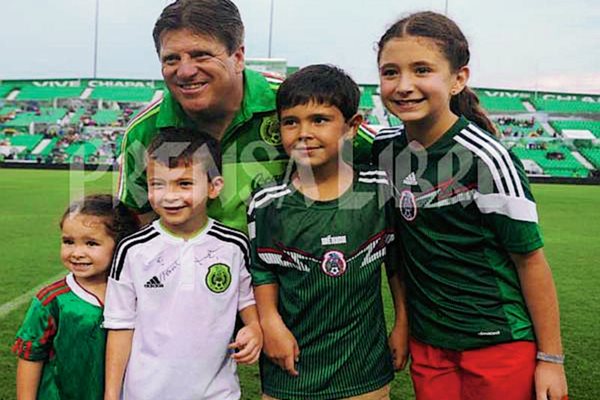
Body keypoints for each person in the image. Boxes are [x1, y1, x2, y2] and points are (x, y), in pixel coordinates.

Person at [373, 11, 568, 400]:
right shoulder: (383, 150)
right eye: (390, 72)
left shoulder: (487, 159)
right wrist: (403, 321)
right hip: (429, 345)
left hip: (498, 343)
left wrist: (551, 359)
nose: (404, 85)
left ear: (458, 78)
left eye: (422, 70)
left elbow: (530, 261)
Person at [116, 0, 375, 232]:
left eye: (201, 55)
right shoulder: (144, 130)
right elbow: (136, 222)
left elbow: (389, 152)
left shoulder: (291, 104)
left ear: (238, 57)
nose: (184, 71)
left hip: (291, 279)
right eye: (171, 59)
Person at [248, 64, 408, 400]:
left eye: (319, 120)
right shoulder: (266, 202)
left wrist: (403, 324)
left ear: (352, 127)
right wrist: (271, 324)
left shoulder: (380, 191)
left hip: (363, 372)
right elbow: (262, 271)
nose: (303, 132)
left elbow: (397, 265)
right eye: (291, 122)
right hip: (290, 371)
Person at [104, 127, 262, 400]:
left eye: (184, 184)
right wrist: (111, 394)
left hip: (217, 393)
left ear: (214, 187)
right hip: (145, 393)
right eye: (158, 184)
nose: (169, 196)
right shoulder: (133, 250)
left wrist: (254, 327)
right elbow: (120, 326)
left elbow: (246, 299)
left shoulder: (234, 245)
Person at [13, 194, 139, 400]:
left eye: (91, 243)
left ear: (120, 245)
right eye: (68, 241)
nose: (77, 253)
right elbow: (30, 356)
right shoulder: (52, 300)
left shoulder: (136, 294)